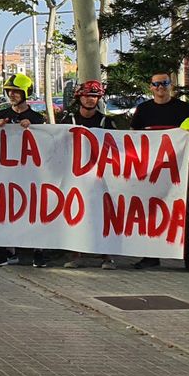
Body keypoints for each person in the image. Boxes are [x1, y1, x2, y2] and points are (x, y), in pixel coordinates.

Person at [128, 71, 189, 270]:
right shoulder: (143, 110)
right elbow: (133, 137)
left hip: (180, 171)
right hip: (152, 172)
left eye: (164, 83)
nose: (160, 87)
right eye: (156, 84)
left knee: (183, 212)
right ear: (150, 87)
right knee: (150, 212)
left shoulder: (185, 109)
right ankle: (150, 256)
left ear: (170, 85)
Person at [57, 80, 118, 269]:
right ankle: (76, 254)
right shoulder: (68, 121)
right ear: (79, 97)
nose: (90, 100)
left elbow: (117, 148)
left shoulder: (106, 121)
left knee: (103, 214)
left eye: (94, 96)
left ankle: (106, 255)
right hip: (75, 176)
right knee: (76, 214)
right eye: (86, 96)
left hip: (101, 177)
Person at [0, 73, 47, 267]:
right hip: (6, 173)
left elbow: (47, 142)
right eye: (10, 91)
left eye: (17, 91)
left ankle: (39, 251)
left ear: (26, 93)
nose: (12, 94)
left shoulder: (36, 118)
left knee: (34, 211)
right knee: (7, 211)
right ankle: (9, 251)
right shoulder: (0, 115)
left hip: (31, 174)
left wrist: (34, 129)